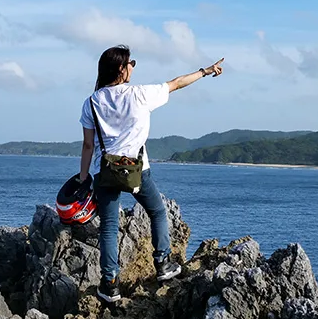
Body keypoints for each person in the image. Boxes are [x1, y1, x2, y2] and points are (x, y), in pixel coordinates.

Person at [77, 44, 225, 304]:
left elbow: (88, 145)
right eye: (130, 63)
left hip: (105, 172)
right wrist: (206, 71)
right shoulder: (140, 95)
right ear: (121, 70)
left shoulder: (91, 103)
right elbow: (177, 83)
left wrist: (82, 177)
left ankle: (110, 284)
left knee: (109, 228)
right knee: (157, 211)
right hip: (137, 171)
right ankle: (164, 264)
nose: (133, 67)